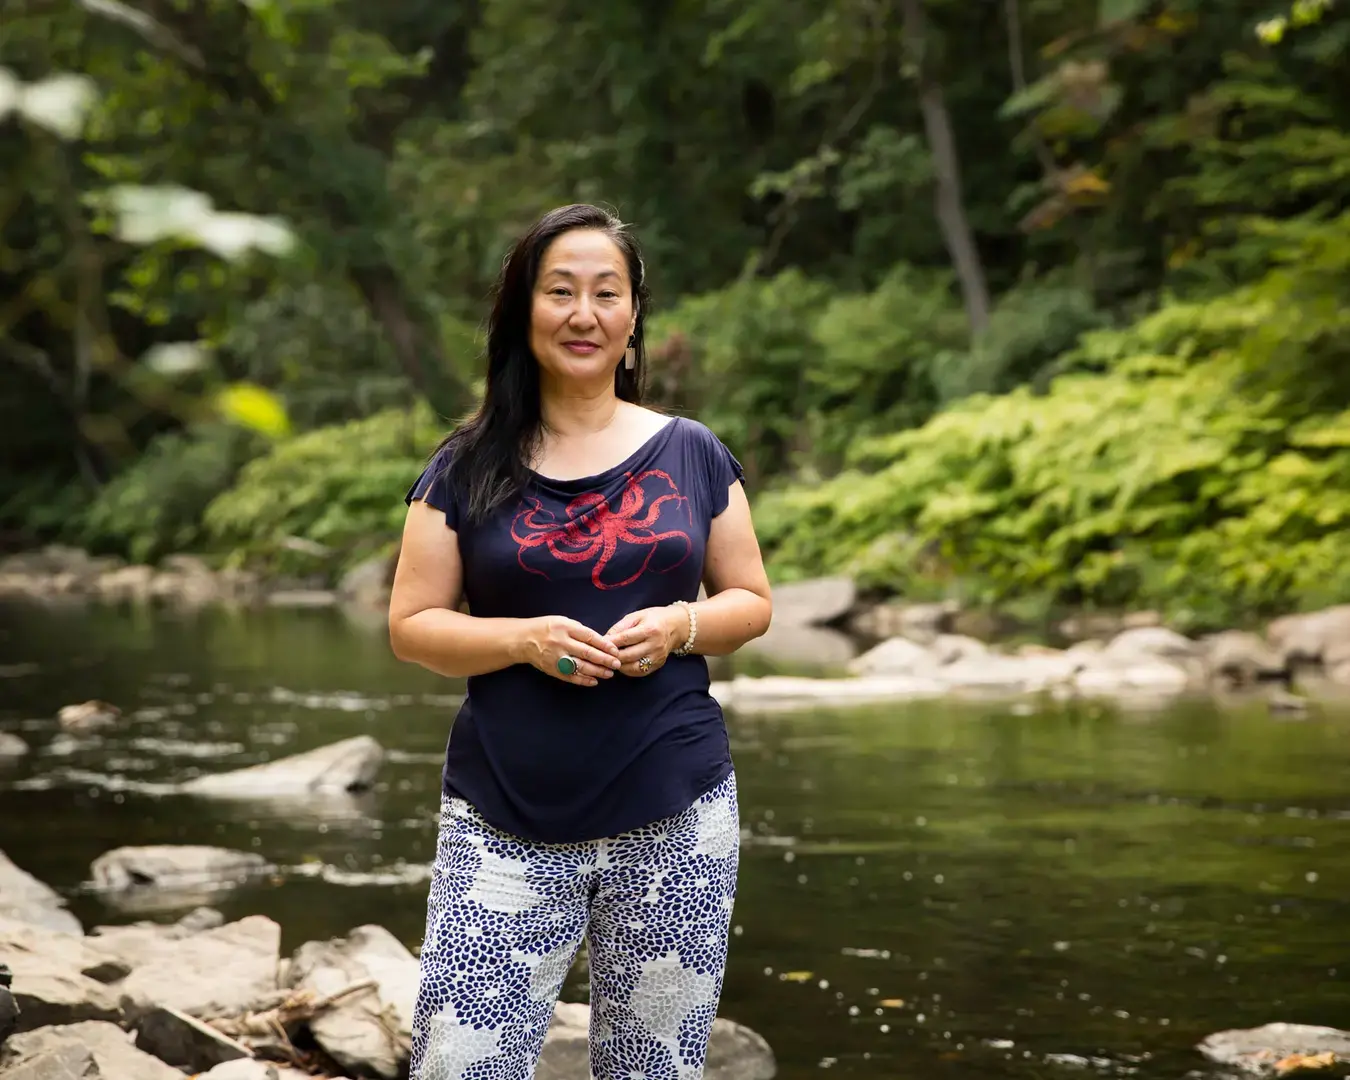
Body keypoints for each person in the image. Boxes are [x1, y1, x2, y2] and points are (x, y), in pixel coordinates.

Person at [387, 203, 773, 1080]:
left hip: (676, 810)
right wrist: (521, 640)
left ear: (634, 315)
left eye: (607, 292)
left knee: (655, 1072)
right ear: (524, 309)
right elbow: (412, 628)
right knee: (459, 1068)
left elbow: (750, 601)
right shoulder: (464, 464)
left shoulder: (693, 453)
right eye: (560, 291)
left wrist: (682, 626)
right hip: (503, 818)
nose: (584, 313)